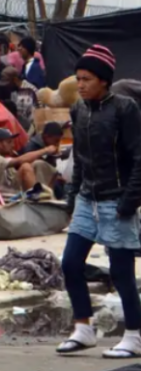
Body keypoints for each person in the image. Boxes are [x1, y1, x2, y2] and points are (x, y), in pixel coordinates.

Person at [58, 45, 141, 358]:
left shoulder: (125, 108)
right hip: (86, 200)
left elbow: (138, 159)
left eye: (87, 78)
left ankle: (134, 335)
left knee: (120, 272)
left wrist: (128, 202)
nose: (80, 84)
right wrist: (71, 198)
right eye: (78, 78)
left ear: (104, 80)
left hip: (116, 201)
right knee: (70, 263)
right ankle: (83, 328)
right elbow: (79, 158)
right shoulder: (79, 109)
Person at [0, 127, 52, 195]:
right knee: (25, 167)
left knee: (37, 164)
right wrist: (45, 150)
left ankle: (46, 196)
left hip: (11, 191)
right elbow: (20, 160)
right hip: (0, 194)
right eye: (9, 142)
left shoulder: (5, 158)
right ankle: (35, 199)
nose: (13, 145)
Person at [0, 66, 39, 132]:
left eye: (8, 83)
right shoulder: (13, 91)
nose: (7, 86)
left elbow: (34, 115)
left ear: (15, 79)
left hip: (30, 129)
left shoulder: (30, 90)